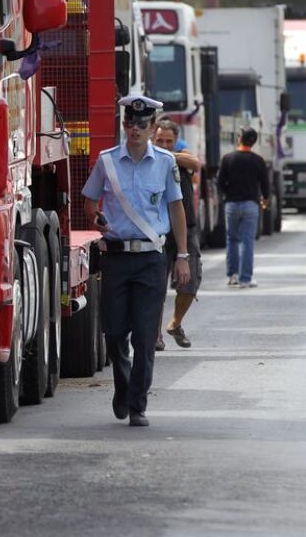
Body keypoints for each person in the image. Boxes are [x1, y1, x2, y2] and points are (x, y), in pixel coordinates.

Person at [82, 95, 190, 427]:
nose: (136, 130)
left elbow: (176, 209)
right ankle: (123, 384)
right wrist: (95, 217)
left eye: (143, 125)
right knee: (114, 333)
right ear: (125, 125)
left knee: (145, 337)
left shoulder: (166, 162)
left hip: (150, 260)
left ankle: (137, 404)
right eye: (130, 124)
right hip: (116, 258)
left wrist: (182, 255)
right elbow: (88, 200)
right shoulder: (107, 161)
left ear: (153, 127)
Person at [153, 120, 202, 350]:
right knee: (155, 287)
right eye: (159, 141)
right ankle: (155, 335)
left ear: (176, 141)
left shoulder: (180, 157)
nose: (163, 144)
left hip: (186, 229)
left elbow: (196, 163)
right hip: (158, 231)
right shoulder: (147, 161)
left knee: (189, 282)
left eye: (168, 141)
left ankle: (175, 323)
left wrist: (169, 154)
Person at [217, 127, 270, 289]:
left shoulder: (227, 159)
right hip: (251, 205)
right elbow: (265, 184)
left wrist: (228, 194)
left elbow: (220, 183)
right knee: (248, 241)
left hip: (232, 204)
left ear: (239, 138)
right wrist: (265, 199)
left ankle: (232, 276)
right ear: (253, 142)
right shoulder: (258, 160)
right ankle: (245, 278)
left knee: (232, 240)